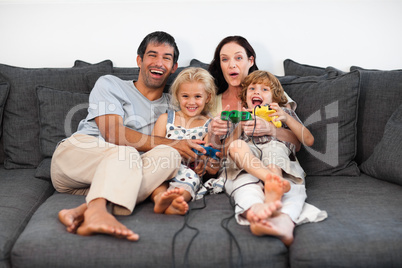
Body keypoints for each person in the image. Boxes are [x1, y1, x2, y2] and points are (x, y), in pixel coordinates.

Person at [51, 31, 206, 241]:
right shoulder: (110, 84)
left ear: (174, 67)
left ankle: (82, 210)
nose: (159, 63)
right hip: (77, 158)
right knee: (127, 152)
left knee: (170, 158)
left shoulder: (179, 104)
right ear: (139, 60)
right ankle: (97, 214)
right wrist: (173, 143)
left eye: (167, 58)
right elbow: (114, 135)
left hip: (104, 180)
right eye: (152, 55)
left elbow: (209, 117)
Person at [207, 36, 326, 246]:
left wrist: (271, 129)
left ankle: (283, 222)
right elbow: (217, 153)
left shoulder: (271, 95)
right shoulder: (212, 100)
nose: (232, 64)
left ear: (250, 61)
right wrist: (218, 132)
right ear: (220, 64)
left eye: (238, 58)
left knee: (289, 179)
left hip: (276, 157)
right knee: (245, 186)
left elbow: (299, 142)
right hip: (242, 163)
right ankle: (258, 213)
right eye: (224, 59)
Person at [150, 67, 220, 215]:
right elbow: (153, 147)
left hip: (188, 171)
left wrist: (203, 163)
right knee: (157, 179)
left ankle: (177, 200)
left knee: (191, 180)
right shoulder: (166, 119)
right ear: (177, 96)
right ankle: (159, 199)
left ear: (208, 97)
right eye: (185, 96)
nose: (191, 102)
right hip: (163, 166)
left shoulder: (209, 125)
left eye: (198, 96)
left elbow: (210, 159)